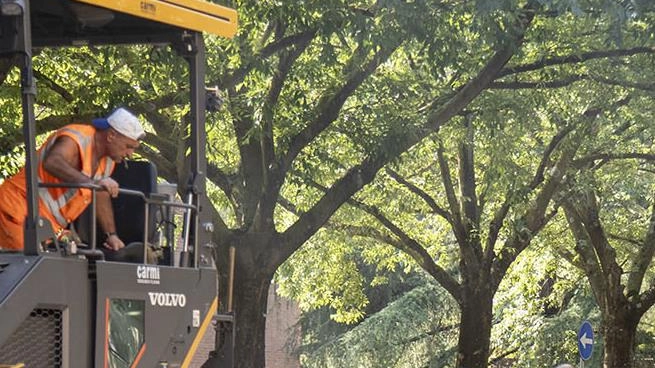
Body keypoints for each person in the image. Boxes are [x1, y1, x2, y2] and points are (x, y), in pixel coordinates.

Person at [0, 107, 146, 251]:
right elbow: (53, 162)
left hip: (43, 223)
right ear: (111, 135)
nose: (130, 154)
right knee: (30, 265)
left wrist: (111, 235)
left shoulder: (108, 161)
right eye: (128, 146)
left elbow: (100, 193)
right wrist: (93, 183)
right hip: (16, 208)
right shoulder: (76, 138)